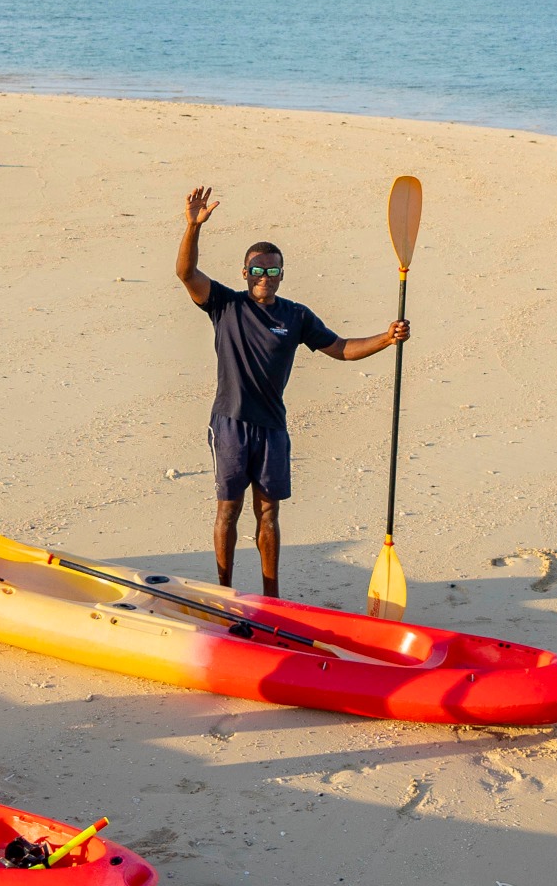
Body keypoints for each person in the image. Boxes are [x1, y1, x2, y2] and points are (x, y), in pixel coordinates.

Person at [174, 187, 408, 596]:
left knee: (268, 513)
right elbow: (186, 273)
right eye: (256, 270)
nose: (264, 277)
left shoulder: (296, 316)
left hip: (272, 428)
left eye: (272, 271)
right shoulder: (225, 305)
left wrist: (386, 339)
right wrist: (193, 228)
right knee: (228, 510)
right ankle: (225, 592)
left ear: (282, 275)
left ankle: (272, 597)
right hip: (230, 424)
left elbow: (341, 349)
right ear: (245, 274)